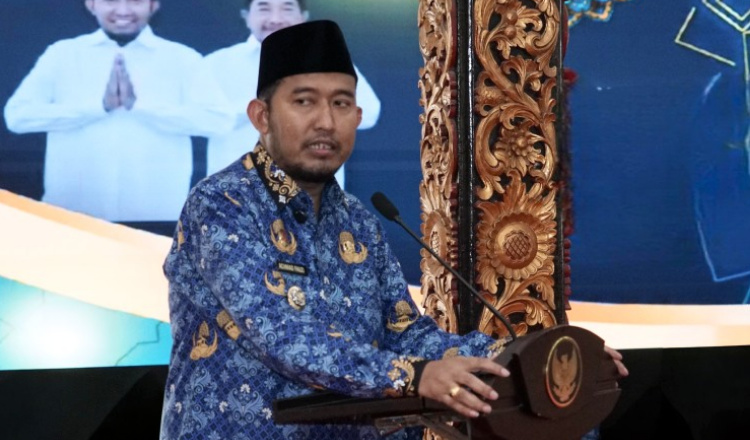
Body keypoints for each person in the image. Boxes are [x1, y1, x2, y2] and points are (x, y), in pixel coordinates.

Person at [159, 20, 627, 440]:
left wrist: (527, 356)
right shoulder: (221, 205)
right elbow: (284, 339)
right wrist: (414, 375)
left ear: (358, 118)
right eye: (304, 101)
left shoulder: (360, 221)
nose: (326, 121)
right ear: (261, 116)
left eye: (341, 103)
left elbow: (406, 335)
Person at [3, 0, 233, 222]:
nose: (123, 10)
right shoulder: (62, 54)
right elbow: (17, 117)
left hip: (158, 213)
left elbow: (219, 121)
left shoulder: (182, 58)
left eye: (135, 1)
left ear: (153, 5)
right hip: (71, 215)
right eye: (111, 1)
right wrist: (98, 107)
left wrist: (142, 108)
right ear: (91, 4)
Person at [201, 0, 381, 182]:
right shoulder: (217, 63)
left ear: (303, 17)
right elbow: (202, 120)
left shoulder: (330, 60)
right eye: (264, 8)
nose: (275, 19)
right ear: (246, 16)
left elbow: (369, 112)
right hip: (235, 190)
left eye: (287, 9)